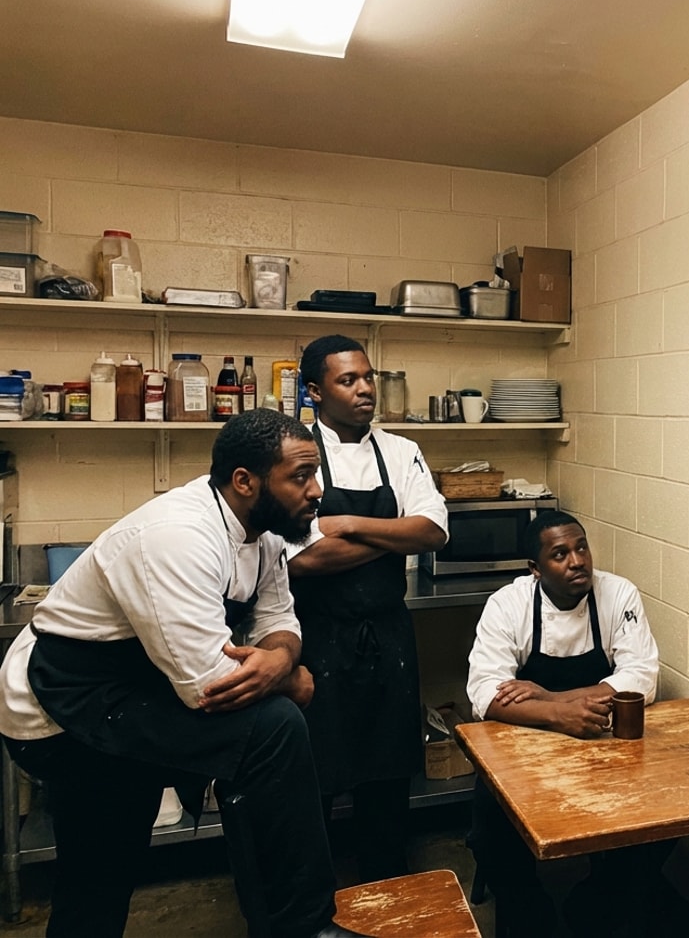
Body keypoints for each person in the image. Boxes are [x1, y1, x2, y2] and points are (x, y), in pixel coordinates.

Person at [0, 409, 366, 938]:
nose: (317, 491)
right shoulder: (177, 535)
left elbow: (279, 620)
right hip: (64, 703)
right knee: (106, 860)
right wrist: (294, 679)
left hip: (139, 687)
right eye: (300, 476)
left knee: (111, 854)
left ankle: (290, 920)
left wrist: (282, 660)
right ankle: (303, 925)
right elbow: (207, 687)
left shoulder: (261, 533)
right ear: (245, 480)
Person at [288, 334, 448, 883]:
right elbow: (302, 559)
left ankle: (390, 882)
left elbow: (431, 531)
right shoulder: (295, 454)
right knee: (317, 772)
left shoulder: (402, 451)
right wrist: (390, 536)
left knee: (388, 773)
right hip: (316, 636)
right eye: (347, 380)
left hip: (388, 634)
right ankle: (317, 893)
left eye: (368, 377)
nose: (364, 391)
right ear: (314, 391)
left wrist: (349, 524)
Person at [466, 510, 662, 938]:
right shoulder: (508, 604)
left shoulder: (618, 594)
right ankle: (529, 911)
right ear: (535, 570)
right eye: (560, 554)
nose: (577, 561)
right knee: (491, 836)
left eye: (581, 548)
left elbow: (641, 679)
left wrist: (546, 698)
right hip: (520, 759)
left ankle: (594, 904)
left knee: (659, 828)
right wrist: (558, 716)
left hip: (602, 753)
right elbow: (485, 693)